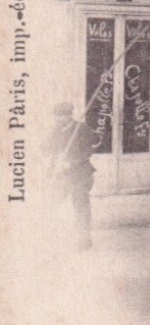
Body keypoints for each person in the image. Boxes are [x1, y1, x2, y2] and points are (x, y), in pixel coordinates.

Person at [47, 103, 96, 250]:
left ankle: (84, 238)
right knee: (49, 201)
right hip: (62, 176)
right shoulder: (56, 131)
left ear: (68, 116)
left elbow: (88, 152)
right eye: (55, 116)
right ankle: (48, 237)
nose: (57, 119)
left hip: (81, 174)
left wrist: (71, 163)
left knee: (80, 205)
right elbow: (47, 148)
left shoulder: (82, 129)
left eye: (60, 116)